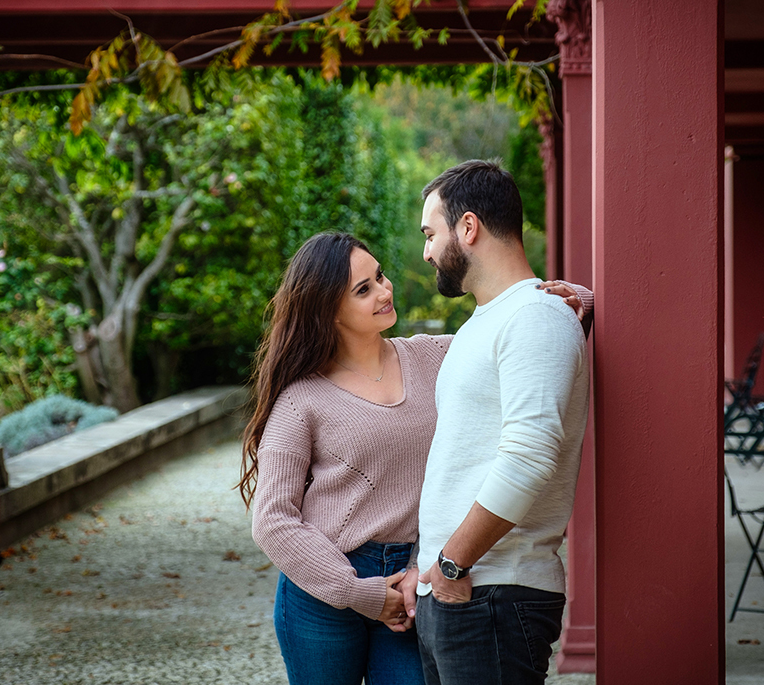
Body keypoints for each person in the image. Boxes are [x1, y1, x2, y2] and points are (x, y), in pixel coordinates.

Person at [241, 231, 590, 685]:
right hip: (322, 588)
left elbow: (516, 332)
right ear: (329, 310)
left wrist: (577, 300)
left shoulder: (436, 355)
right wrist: (357, 591)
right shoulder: (300, 398)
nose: (384, 291)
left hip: (413, 579)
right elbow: (272, 519)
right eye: (363, 290)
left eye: (380, 276)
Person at [403, 160, 591, 685]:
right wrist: (432, 569)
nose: (426, 252)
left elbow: (529, 457)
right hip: (460, 590)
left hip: (492, 592)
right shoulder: (490, 320)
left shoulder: (535, 317)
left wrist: (452, 563)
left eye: (430, 234)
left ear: (468, 227)